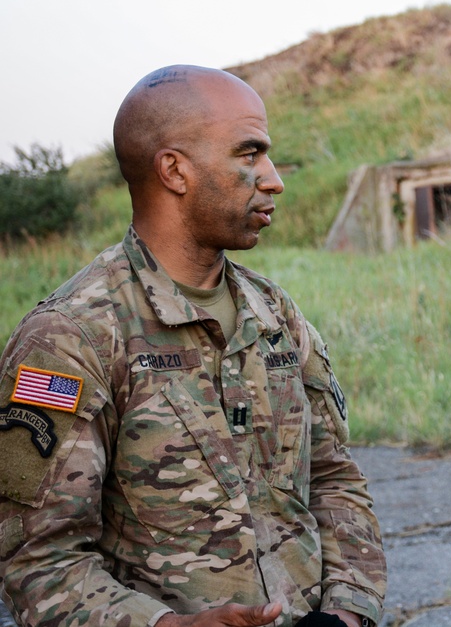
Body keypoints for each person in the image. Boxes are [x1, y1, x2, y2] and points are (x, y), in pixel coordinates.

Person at [0, 65, 386, 627]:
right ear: (175, 171)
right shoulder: (68, 338)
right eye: (249, 154)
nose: (273, 178)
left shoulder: (274, 313)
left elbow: (335, 478)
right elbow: (36, 559)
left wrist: (348, 613)